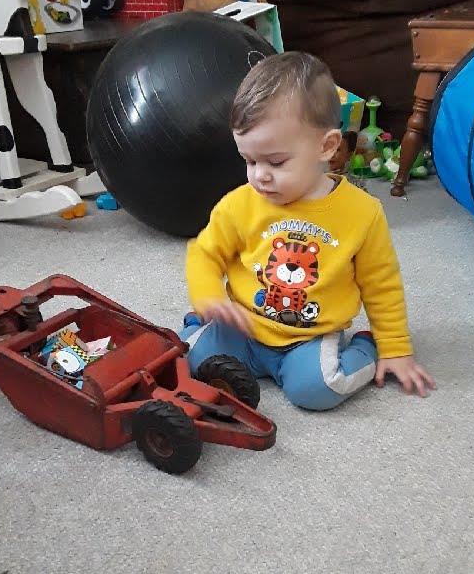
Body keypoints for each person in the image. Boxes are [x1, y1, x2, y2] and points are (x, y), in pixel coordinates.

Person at [183, 52, 435, 410]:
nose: (259, 175)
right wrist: (209, 297)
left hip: (308, 339)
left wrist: (395, 347)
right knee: (184, 359)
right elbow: (204, 254)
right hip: (242, 329)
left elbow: (382, 284)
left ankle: (367, 348)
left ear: (327, 146)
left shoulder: (362, 214)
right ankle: (200, 327)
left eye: (276, 161)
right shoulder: (239, 204)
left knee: (319, 389)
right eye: (249, 160)